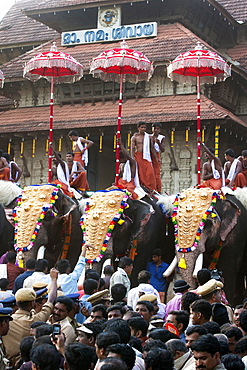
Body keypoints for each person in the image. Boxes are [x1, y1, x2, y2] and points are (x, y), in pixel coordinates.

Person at [2, 268, 58, 361]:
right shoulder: (34, 320)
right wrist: (54, 280)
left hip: (9, 362)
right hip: (28, 361)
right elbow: (51, 299)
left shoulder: (8, 321)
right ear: (31, 304)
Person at [131, 122, 156, 191]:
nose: (143, 129)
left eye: (144, 127)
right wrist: (132, 158)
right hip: (138, 155)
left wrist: (156, 158)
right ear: (138, 128)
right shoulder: (134, 137)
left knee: (150, 173)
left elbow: (152, 148)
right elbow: (132, 148)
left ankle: (151, 188)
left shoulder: (148, 137)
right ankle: (142, 187)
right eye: (142, 127)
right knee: (140, 172)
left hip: (147, 156)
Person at [150, 122, 165, 193]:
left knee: (156, 173)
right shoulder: (148, 136)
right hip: (148, 155)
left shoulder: (161, 137)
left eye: (157, 128)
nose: (156, 130)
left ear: (159, 130)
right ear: (152, 129)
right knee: (149, 172)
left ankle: (157, 189)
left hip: (156, 155)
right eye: (154, 128)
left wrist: (158, 143)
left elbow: (163, 149)